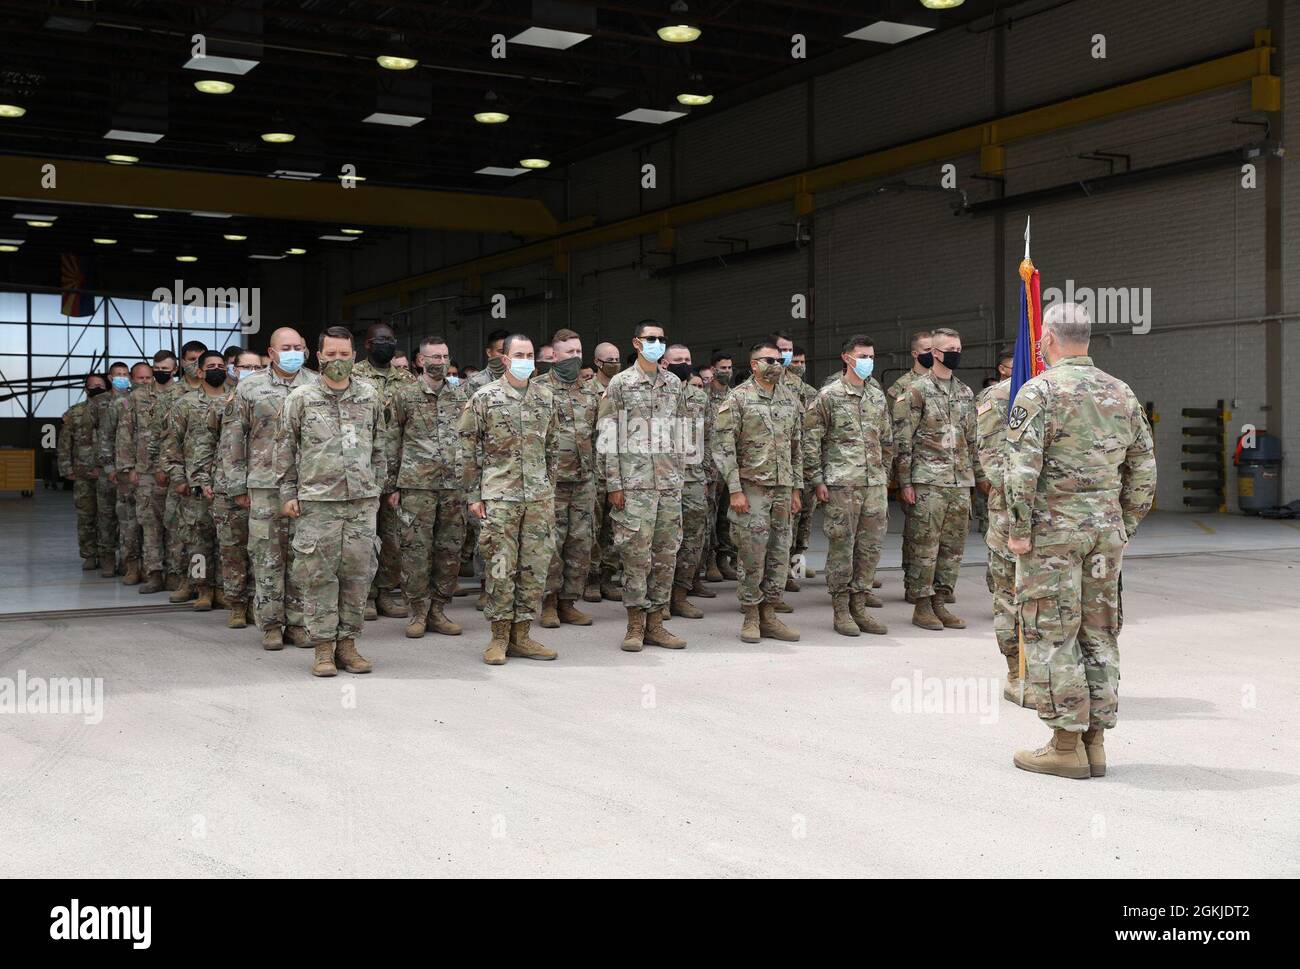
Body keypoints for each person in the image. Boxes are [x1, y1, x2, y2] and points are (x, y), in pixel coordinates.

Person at [1006, 303, 1156, 779]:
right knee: (1099, 631)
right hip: (1103, 533)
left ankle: (1065, 745)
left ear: (1047, 338)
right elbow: (1145, 469)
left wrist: (1018, 529)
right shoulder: (1121, 392)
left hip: (1053, 535)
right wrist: (1124, 524)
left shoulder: (1040, 391)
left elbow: (1022, 470)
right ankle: (1096, 743)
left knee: (1053, 631)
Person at [277, 326, 389, 677]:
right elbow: (284, 449)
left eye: (344, 354)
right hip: (317, 503)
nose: (338, 361)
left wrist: (376, 489)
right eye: (331, 355)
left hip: (360, 503)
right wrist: (287, 493)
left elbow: (381, 448)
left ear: (354, 356)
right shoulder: (301, 398)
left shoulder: (370, 396)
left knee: (357, 576)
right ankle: (323, 649)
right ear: (319, 356)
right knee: (318, 576)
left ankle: (349, 645)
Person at [458, 334, 559, 665]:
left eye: (530, 354)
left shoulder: (546, 397)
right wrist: (474, 494)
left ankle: (523, 635)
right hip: (500, 496)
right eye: (519, 354)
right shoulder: (484, 398)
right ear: (504, 358)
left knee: (534, 567)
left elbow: (553, 447)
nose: (526, 360)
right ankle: (499, 637)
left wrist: (548, 487)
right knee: (501, 566)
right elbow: (468, 449)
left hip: (538, 499)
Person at [221, 327, 317, 649]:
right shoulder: (250, 387)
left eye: (298, 346)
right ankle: (272, 624)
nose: (293, 351)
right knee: (267, 556)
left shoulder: (316, 385)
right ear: (272, 353)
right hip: (264, 486)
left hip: (306, 486)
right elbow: (234, 439)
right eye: (286, 347)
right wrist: (236, 484)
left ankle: (299, 623)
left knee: (303, 556)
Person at [597, 321, 688, 652]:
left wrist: (680, 473)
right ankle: (635, 624)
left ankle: (657, 624)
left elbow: (681, 431)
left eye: (662, 339)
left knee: (665, 554)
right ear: (637, 343)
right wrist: (614, 484)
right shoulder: (620, 384)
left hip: (668, 484)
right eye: (652, 339)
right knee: (635, 554)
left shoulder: (674, 384)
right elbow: (607, 434)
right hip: (633, 485)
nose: (658, 343)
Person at [712, 340, 804, 644]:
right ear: (754, 365)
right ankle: (750, 615)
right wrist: (735, 490)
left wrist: (795, 489)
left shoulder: (789, 398)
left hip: (782, 489)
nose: (776, 365)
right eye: (769, 360)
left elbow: (796, 447)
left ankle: (769, 614)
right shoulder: (738, 399)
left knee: (779, 552)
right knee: (752, 553)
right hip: (751, 490)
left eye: (779, 360)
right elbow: (723, 448)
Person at [802, 335, 892, 637]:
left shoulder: (877, 397)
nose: (868, 361)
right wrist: (817, 480)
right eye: (862, 356)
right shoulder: (828, 396)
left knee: (870, 548)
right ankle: (841, 610)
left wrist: (884, 475)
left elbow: (887, 441)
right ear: (847, 358)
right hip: (842, 484)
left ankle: (860, 606)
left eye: (871, 356)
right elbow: (811, 441)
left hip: (874, 485)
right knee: (842, 546)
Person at [895, 327, 980, 632]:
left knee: (952, 548)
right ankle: (921, 606)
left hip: (959, 482)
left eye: (958, 347)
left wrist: (979, 479)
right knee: (925, 547)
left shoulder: (965, 393)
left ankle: (941, 602)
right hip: (928, 481)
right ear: (934, 353)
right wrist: (904, 483)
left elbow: (973, 441)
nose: (955, 353)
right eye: (949, 349)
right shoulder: (916, 391)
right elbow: (902, 441)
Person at [389, 335, 467, 639]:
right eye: (435, 357)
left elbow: (471, 440)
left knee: (449, 549)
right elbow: (391, 440)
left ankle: (438, 610)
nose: (441, 362)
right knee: (415, 550)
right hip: (415, 486)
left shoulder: (461, 396)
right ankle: (418, 611)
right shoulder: (405, 396)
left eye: (445, 356)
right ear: (421, 361)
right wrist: (391, 485)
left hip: (453, 486)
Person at [352, 323, 416, 620]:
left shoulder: (406, 380)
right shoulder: (352, 376)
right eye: (380, 339)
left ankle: (387, 592)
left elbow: (413, 429)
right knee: (363, 538)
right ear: (367, 344)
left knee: (392, 538)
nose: (385, 344)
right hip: (361, 472)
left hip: (396, 473)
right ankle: (364, 595)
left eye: (390, 340)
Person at [537, 329, 600, 628]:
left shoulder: (592, 392)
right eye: (569, 353)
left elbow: (603, 435)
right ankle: (548, 602)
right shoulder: (536, 389)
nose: (575, 357)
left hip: (584, 480)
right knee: (551, 544)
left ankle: (568, 602)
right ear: (554, 356)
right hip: (550, 482)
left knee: (580, 543)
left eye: (579, 352)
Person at [162, 350, 233, 611]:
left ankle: (225, 589)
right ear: (200, 372)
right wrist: (178, 477)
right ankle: (202, 589)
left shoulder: (236, 400)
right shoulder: (185, 404)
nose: (217, 369)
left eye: (221, 365)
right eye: (211, 366)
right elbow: (170, 444)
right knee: (197, 541)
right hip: (195, 486)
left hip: (228, 485)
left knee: (228, 542)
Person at [199, 350, 261, 629]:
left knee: (263, 551)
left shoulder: (274, 402)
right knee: (232, 550)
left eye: (256, 367)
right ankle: (236, 605)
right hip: (227, 488)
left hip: (263, 487)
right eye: (244, 366)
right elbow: (206, 444)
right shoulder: (222, 404)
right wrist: (203, 479)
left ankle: (259, 603)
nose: (250, 370)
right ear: (234, 370)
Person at [117, 350, 177, 595]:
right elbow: (125, 433)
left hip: (175, 471)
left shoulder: (184, 395)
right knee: (149, 525)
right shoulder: (137, 397)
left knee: (175, 524)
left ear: (174, 370)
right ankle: (154, 574)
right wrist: (128, 467)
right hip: (145, 472)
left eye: (166, 368)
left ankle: (175, 573)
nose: (161, 371)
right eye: (157, 367)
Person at [154, 340, 209, 600]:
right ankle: (189, 582)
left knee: (218, 536)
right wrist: (171, 472)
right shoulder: (174, 395)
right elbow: (166, 438)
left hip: (215, 478)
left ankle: (215, 587)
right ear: (182, 362)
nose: (194, 363)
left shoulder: (227, 390)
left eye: (200, 358)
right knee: (185, 533)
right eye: (190, 358)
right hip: (185, 477)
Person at [665, 344, 715, 619]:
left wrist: (707, 475)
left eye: (687, 359)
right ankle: (658, 599)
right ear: (665, 363)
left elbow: (707, 438)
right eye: (677, 360)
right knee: (663, 540)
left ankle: (680, 595)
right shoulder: (657, 394)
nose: (683, 364)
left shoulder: (699, 397)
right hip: (664, 477)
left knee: (694, 536)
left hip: (694, 477)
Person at [888, 329, 933, 599]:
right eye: (927, 350)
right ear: (915, 353)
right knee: (916, 530)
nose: (932, 354)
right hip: (914, 467)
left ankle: (935, 584)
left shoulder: (945, 383)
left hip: (940, 469)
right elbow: (896, 433)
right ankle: (913, 580)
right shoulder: (901, 387)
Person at [101, 361, 152, 586]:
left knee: (150, 524)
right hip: (127, 472)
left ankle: (151, 568)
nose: (144, 382)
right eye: (140, 378)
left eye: (148, 378)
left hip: (151, 473)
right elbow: (108, 437)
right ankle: (131, 565)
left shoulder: (159, 401)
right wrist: (113, 468)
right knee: (129, 523)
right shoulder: (121, 404)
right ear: (132, 378)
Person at [584, 341, 624, 603]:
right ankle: (591, 578)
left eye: (618, 358)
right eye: (610, 359)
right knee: (592, 527)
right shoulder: (587, 392)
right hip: (593, 470)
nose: (615, 363)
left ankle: (609, 575)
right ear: (597, 362)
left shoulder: (624, 389)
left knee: (615, 528)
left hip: (621, 470)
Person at [59, 373, 107, 571]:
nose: (96, 388)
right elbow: (64, 442)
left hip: (108, 473)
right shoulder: (75, 412)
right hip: (82, 473)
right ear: (86, 389)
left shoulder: (114, 409)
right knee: (86, 517)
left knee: (108, 517)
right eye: (92, 385)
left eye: (100, 385)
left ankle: (107, 555)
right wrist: (66, 468)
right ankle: (89, 555)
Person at [785, 341, 819, 586]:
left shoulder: (811, 393)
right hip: (788, 464)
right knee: (790, 520)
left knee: (806, 519)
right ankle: (783, 568)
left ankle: (797, 565)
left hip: (809, 463)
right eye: (795, 362)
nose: (799, 366)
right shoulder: (780, 389)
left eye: (802, 362)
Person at [973, 347, 1016, 536]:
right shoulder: (988, 396)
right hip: (998, 473)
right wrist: (983, 474)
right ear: (1002, 369)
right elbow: (981, 437)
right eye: (1015, 367)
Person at [704, 349, 737, 583]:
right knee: (709, 515)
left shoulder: (736, 397)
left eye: (729, 367)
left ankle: (725, 557)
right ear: (713, 369)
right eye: (722, 368)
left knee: (728, 514)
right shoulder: (702, 395)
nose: (727, 371)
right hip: (708, 465)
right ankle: (709, 560)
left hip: (730, 465)